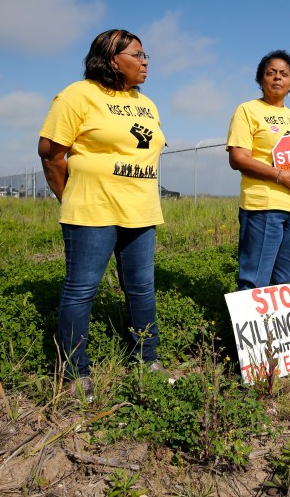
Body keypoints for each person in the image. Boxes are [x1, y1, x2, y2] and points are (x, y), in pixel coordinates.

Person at [38, 29, 171, 400]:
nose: (145, 62)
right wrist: (72, 197)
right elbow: (51, 153)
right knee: (81, 291)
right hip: (91, 210)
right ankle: (73, 373)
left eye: (146, 56)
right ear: (113, 59)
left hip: (140, 211)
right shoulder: (78, 94)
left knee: (141, 289)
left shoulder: (146, 102)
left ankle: (148, 361)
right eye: (137, 55)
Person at [227, 49, 290, 290]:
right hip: (264, 206)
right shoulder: (247, 110)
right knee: (254, 278)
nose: (277, 77)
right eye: (271, 73)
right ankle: (252, 328)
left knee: (289, 279)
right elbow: (238, 158)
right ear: (261, 79)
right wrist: (281, 176)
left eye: (284, 74)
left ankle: (277, 329)